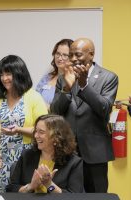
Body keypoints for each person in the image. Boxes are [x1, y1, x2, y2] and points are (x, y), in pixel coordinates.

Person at [50, 38, 118, 193]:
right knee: (67, 194)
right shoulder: (63, 78)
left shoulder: (108, 77)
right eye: (71, 55)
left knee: (97, 196)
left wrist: (83, 85)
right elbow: (55, 111)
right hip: (68, 151)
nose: (73, 59)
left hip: (95, 152)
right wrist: (66, 89)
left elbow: (104, 108)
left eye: (78, 55)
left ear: (91, 55)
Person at [0, 55, 48, 192]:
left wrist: (18, 130)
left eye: (8, 74)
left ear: (19, 74)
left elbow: (44, 129)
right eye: (1, 74)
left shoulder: (34, 97)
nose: (4, 78)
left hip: (25, 157)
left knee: (23, 192)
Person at [7, 114, 83, 193]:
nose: (36, 135)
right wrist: (30, 186)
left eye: (41, 132)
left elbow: (74, 196)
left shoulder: (74, 163)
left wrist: (49, 185)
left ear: (57, 137)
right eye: (36, 131)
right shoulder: (26, 155)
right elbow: (11, 188)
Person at [36, 39, 73, 110]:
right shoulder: (47, 78)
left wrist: (48, 108)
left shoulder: (74, 80)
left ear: (72, 57)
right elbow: (35, 99)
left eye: (65, 55)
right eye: (58, 54)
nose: (60, 58)